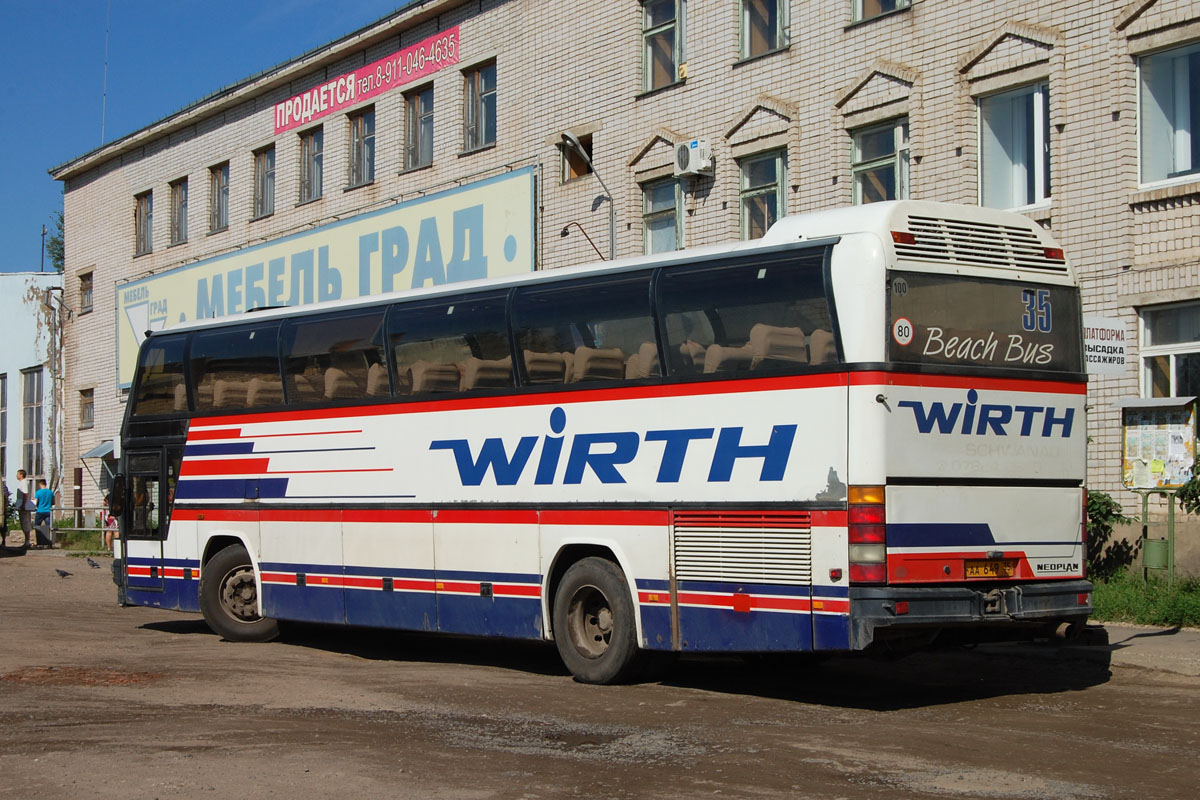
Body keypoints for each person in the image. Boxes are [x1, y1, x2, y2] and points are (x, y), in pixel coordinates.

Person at [34, 479, 54, 547]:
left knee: (37, 526)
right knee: (49, 527)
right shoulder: (50, 492)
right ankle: (49, 542)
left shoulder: (38, 492)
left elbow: (35, 503)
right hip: (48, 511)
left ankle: (39, 542)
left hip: (40, 511)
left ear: (40, 484)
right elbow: (53, 502)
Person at [15, 468, 33, 547]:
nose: (16, 475)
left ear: (21, 475)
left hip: (24, 506)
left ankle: (27, 541)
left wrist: (23, 505)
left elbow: (25, 494)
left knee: (25, 523)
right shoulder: (21, 483)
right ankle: (26, 541)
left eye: (17, 474)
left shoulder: (24, 482)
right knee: (23, 523)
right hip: (22, 505)